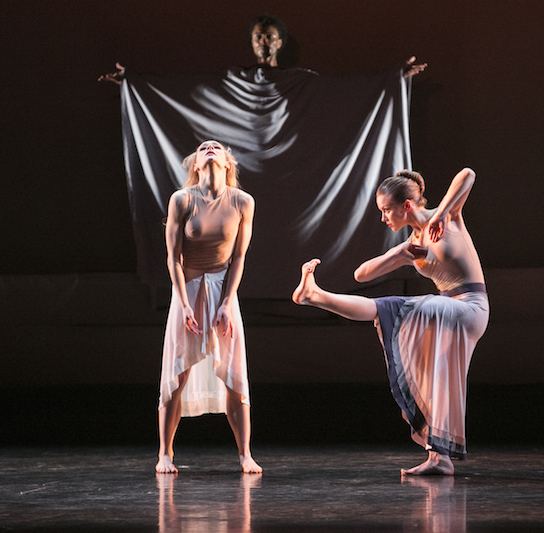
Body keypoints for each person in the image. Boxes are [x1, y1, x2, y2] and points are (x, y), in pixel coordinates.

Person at [292, 168, 489, 475]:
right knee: (431, 384)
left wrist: (441, 214)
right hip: (447, 312)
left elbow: (467, 175)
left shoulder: (448, 216)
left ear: (406, 206)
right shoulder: (411, 245)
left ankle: (316, 296)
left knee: (390, 308)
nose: (384, 218)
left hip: (471, 308)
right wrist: (399, 252)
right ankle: (440, 459)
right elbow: (361, 274)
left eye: (386, 210)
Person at [156, 140, 260, 474]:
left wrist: (228, 302)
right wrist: (184, 305)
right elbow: (173, 258)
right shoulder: (182, 200)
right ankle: (165, 454)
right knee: (177, 370)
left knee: (233, 370)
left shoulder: (243, 201)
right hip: (186, 288)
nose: (211, 148)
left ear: (229, 162)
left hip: (222, 289)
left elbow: (240, 257)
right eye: (204, 148)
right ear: (196, 164)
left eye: (217, 147)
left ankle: (245, 454)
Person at [98, 14, 426, 83]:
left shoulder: (298, 80)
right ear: (252, 41)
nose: (264, 42)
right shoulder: (235, 79)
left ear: (280, 42)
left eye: (270, 36)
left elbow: (341, 91)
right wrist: (135, 80)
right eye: (258, 36)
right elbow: (187, 88)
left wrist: (394, 77)